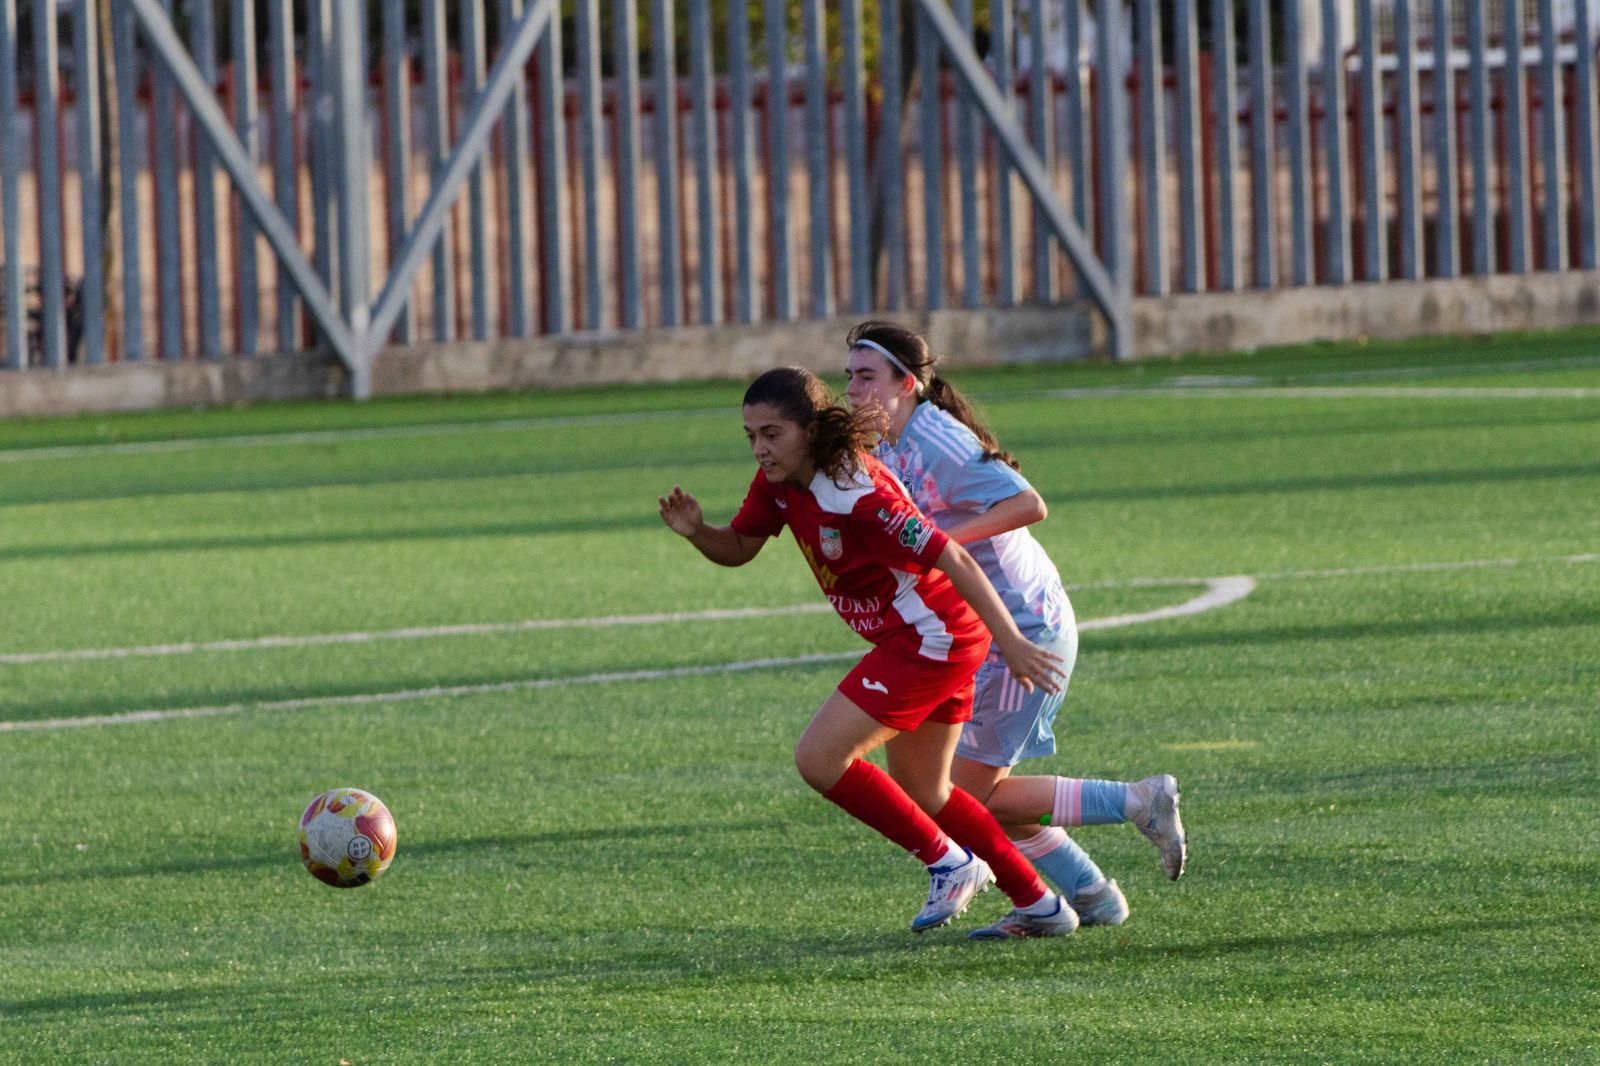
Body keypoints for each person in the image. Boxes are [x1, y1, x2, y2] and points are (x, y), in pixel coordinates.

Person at [659, 366, 1078, 938]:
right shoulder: (781, 483)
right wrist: (696, 530)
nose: (759, 448)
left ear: (809, 429)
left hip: (934, 639)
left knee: (819, 758)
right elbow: (737, 548)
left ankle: (950, 863)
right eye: (751, 435)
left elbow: (952, 557)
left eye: (772, 433)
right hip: (928, 639)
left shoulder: (859, 495)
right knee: (928, 790)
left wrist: (1015, 644)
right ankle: (1040, 904)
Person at [841, 321, 1187, 927]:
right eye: (849, 376)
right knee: (972, 792)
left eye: (866, 376)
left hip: (1019, 629)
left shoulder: (936, 438)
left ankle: (1137, 801)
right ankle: (1091, 895)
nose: (853, 389)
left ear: (907, 384)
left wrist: (939, 544)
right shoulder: (892, 443)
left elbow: (1029, 503)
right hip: (986, 630)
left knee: (964, 796)